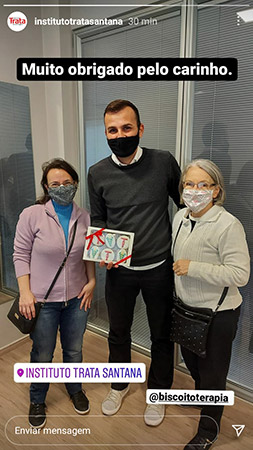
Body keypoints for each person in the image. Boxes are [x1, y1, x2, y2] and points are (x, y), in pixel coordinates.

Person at [88, 99, 181, 426]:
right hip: (120, 272)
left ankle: (158, 393)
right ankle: (119, 385)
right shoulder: (97, 173)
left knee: (161, 335)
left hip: (159, 268)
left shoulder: (164, 162)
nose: (120, 135)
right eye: (112, 130)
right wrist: (102, 254)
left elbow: (183, 208)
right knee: (118, 333)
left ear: (140, 129)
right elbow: (98, 220)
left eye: (126, 128)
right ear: (106, 133)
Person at [172, 159, 250, 449]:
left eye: (203, 185)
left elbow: (240, 274)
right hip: (186, 309)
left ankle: (208, 429)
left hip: (218, 314)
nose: (195, 190)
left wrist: (193, 267)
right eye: (189, 184)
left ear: (215, 190)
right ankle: (203, 399)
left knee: (213, 374)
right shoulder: (180, 217)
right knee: (193, 365)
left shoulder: (228, 225)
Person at [13, 158, 95, 429]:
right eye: (55, 184)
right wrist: (25, 293)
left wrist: (92, 281)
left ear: (75, 184)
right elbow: (20, 255)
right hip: (42, 301)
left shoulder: (83, 216)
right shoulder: (32, 215)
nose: (62, 187)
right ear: (46, 188)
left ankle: (75, 389)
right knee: (43, 353)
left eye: (67, 183)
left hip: (77, 299)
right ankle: (37, 399)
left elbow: (88, 254)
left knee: (74, 350)